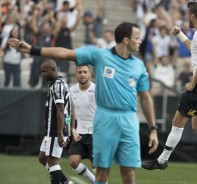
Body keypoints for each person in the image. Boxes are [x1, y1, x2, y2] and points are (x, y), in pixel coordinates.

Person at [8, 22, 159, 184]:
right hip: (105, 118)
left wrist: (153, 128)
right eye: (137, 38)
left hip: (129, 120)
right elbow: (65, 53)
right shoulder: (100, 55)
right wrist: (33, 49)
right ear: (126, 40)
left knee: (129, 172)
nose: (140, 41)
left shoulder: (139, 65)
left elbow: (145, 97)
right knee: (101, 172)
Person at [141, 1, 197, 176]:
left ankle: (162, 161)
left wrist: (192, 82)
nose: (186, 17)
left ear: (192, 15)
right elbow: (195, 50)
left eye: (187, 14)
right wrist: (180, 35)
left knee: (177, 122)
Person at [38, 59, 72, 184]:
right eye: (41, 72)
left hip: (55, 130)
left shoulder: (58, 85)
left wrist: (60, 132)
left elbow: (61, 109)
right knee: (42, 158)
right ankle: (66, 182)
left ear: (53, 69)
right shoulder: (54, 83)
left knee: (53, 160)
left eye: (45, 72)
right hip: (51, 130)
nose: (43, 74)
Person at [69, 65, 96, 183]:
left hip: (96, 133)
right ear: (76, 75)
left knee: (97, 167)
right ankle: (94, 180)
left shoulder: (97, 89)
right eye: (79, 72)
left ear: (90, 74)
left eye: (85, 72)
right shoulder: (71, 90)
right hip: (79, 132)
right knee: (73, 162)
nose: (82, 74)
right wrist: (72, 127)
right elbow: (69, 112)